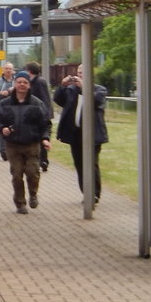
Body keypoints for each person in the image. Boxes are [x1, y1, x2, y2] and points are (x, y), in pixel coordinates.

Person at [0, 69, 52, 214]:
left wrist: (45, 138)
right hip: (12, 145)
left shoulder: (37, 104)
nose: (22, 85)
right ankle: (20, 203)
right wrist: (2, 129)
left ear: (29, 85)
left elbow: (46, 123)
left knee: (32, 172)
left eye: (25, 82)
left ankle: (33, 193)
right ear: (14, 83)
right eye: (19, 82)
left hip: (32, 144)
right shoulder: (5, 103)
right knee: (17, 174)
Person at [54, 66, 108, 205]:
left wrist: (84, 87)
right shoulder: (71, 90)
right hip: (75, 133)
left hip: (92, 134)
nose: (80, 76)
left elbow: (96, 101)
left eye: (83, 73)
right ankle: (86, 193)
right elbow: (58, 100)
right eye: (78, 73)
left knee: (91, 163)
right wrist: (63, 85)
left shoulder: (99, 90)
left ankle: (94, 194)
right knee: (79, 164)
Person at [25, 62, 52, 171]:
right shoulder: (33, 82)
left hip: (41, 115)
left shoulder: (39, 82)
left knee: (42, 137)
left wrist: (45, 114)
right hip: (36, 114)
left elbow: (44, 99)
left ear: (29, 71)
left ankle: (43, 160)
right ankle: (40, 159)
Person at [0, 62, 17, 160]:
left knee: (14, 130)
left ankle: (13, 151)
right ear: (3, 70)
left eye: (10, 69)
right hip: (1, 110)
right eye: (6, 68)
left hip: (14, 110)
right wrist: (1, 93)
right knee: (2, 131)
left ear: (13, 70)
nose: (8, 70)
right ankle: (3, 151)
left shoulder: (17, 81)